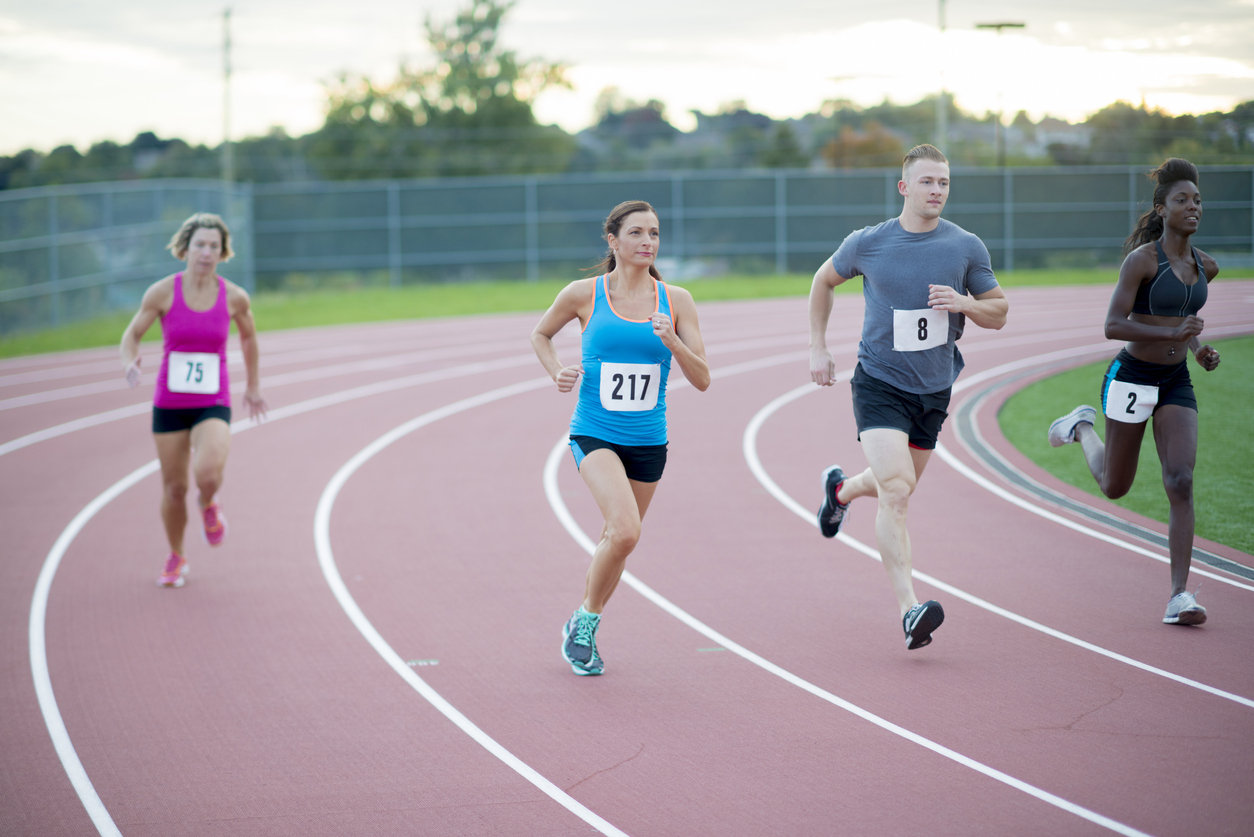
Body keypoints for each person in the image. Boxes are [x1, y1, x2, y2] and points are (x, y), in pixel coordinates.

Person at [808, 144, 1009, 650]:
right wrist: (819, 347)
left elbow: (1000, 310)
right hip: (878, 383)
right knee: (897, 492)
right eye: (927, 182)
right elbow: (823, 281)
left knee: (897, 482)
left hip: (934, 389)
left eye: (943, 183)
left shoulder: (965, 247)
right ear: (904, 187)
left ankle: (840, 492)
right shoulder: (868, 244)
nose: (936, 191)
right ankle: (909, 610)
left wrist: (965, 302)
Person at [531, 200, 710, 675]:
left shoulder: (678, 301)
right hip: (595, 432)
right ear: (613, 241)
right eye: (635, 233)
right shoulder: (584, 294)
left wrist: (672, 340)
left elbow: (704, 378)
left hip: (650, 441)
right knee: (627, 529)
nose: (647, 242)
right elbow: (541, 335)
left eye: (653, 233)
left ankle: (582, 619)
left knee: (620, 539)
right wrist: (556, 373)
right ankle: (586, 623)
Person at [1048, 158, 1219, 626]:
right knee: (1115, 486)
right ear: (1162, 208)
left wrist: (1198, 350)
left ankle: (1179, 595)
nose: (1193, 207)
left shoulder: (1206, 266)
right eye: (1182, 200)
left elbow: (1186, 324)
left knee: (1180, 480)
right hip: (1131, 377)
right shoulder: (1142, 261)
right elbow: (1112, 325)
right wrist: (1173, 336)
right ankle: (1082, 427)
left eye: (1198, 200)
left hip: (1175, 382)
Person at [120, 213, 267, 588]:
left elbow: (249, 338)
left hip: (211, 401)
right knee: (174, 488)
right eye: (200, 245)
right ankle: (177, 555)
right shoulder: (162, 292)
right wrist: (130, 360)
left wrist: (252, 385)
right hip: (169, 403)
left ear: (223, 252)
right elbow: (132, 333)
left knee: (207, 475)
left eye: (214, 247)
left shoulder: (234, 297)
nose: (206, 252)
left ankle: (208, 503)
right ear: (185, 249)